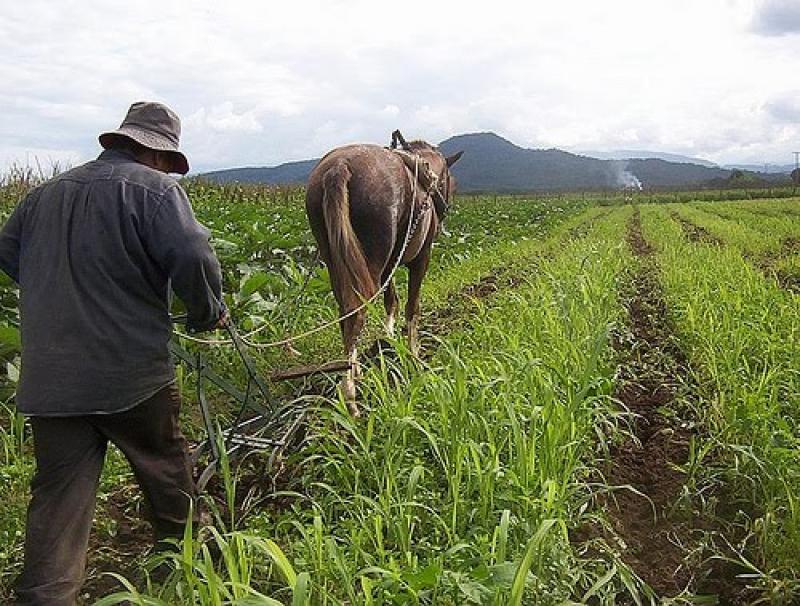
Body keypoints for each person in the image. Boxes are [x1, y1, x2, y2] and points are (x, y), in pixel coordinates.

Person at [0, 101, 226, 606]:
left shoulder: (41, 196)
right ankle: (195, 569)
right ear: (157, 153)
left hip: (50, 381)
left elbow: (8, 253)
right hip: (130, 375)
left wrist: (61, 295)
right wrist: (206, 312)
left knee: (58, 501)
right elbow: (193, 254)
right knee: (168, 472)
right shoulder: (157, 190)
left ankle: (44, 596)